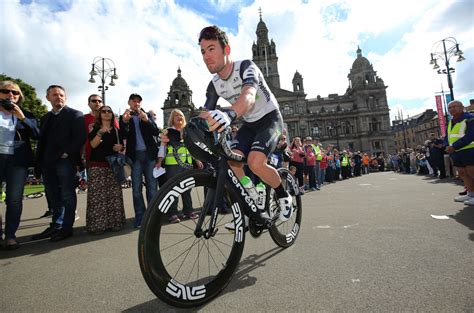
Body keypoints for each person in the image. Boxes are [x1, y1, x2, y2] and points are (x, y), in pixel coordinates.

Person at [198, 25, 293, 222]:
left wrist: (229, 114)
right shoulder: (214, 84)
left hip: (270, 119)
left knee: (255, 162)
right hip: (249, 123)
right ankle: (251, 193)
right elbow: (206, 112)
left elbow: (248, 95)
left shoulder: (246, 67)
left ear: (227, 50)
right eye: (203, 51)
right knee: (232, 161)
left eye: (212, 49)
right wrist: (196, 126)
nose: (206, 56)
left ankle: (284, 196)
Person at [32, 85, 86, 242]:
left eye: (61, 95)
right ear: (48, 98)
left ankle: (66, 228)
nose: (59, 97)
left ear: (66, 97)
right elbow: (41, 142)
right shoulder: (45, 118)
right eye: (55, 95)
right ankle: (56, 225)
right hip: (47, 162)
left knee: (67, 195)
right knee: (53, 196)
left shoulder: (75, 114)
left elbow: (80, 137)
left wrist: (67, 153)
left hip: (64, 161)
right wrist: (38, 164)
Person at [0, 81, 40, 249]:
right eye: (6, 91)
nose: (11, 95)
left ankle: (10, 236)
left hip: (17, 162)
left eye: (15, 93)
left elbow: (38, 135)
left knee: (14, 200)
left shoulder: (26, 114)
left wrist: (22, 117)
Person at [119, 93, 160, 228]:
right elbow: (122, 135)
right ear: (129, 103)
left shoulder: (146, 114)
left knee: (152, 188)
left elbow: (156, 132)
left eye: (139, 101)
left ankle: (153, 216)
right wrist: (124, 122)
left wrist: (147, 120)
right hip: (135, 157)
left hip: (149, 156)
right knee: (136, 189)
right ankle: (140, 217)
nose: (136, 104)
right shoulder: (125, 117)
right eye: (134, 101)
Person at [86, 105, 126, 234]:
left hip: (113, 165)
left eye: (109, 111)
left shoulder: (116, 131)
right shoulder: (95, 128)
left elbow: (123, 148)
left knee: (114, 195)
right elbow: (93, 144)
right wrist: (100, 132)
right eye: (104, 111)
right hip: (97, 165)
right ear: (100, 114)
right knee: (98, 196)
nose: (107, 113)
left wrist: (120, 148)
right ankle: (98, 225)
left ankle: (115, 222)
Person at [159, 109, 202, 223]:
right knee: (174, 189)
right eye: (176, 115)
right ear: (172, 119)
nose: (179, 117)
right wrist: (159, 160)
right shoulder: (167, 131)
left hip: (187, 164)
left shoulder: (187, 132)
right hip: (173, 165)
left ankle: (188, 210)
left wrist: (196, 159)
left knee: (187, 188)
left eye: (181, 115)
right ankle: (172, 213)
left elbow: (191, 148)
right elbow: (162, 147)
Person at [445, 100, 474, 205]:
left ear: (462, 107)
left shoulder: (470, 118)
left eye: (455, 107)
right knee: (462, 173)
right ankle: (471, 194)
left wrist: (454, 146)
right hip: (456, 151)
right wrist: (446, 145)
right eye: (450, 108)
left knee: (471, 171)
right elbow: (448, 136)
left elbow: (471, 135)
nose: (452, 109)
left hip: (469, 149)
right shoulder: (451, 121)